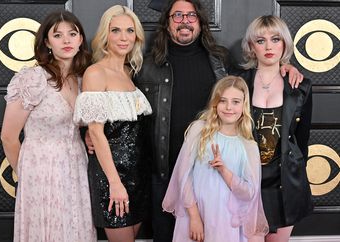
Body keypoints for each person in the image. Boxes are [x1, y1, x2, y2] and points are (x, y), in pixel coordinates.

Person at [133, 1, 304, 241]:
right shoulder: (147, 66)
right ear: (167, 22)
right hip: (166, 171)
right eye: (178, 15)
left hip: (215, 175)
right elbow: (129, 109)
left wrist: (285, 66)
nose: (185, 21)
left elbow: (248, 83)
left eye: (191, 15)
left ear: (201, 22)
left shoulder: (220, 60)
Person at [0, 11, 97, 242]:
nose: (66, 41)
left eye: (72, 34)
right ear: (47, 42)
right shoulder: (33, 78)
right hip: (40, 170)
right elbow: (8, 137)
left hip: (75, 167)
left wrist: (88, 136)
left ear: (81, 39)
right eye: (58, 35)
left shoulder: (84, 80)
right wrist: (28, 174)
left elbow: (81, 125)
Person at [73, 5, 152, 242]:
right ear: (106, 35)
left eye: (129, 30)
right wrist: (115, 183)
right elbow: (96, 133)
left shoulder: (131, 73)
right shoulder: (96, 73)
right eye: (116, 30)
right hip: (111, 176)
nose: (123, 37)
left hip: (138, 175)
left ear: (136, 36)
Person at [162, 75, 269, 242]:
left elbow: (249, 193)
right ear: (215, 103)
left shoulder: (248, 146)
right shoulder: (199, 130)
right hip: (195, 217)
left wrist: (224, 171)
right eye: (223, 101)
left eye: (235, 102)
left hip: (226, 223)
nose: (228, 107)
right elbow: (183, 176)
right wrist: (194, 217)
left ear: (244, 105)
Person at [239, 15, 313, 242]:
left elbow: (302, 139)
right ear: (252, 46)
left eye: (275, 39)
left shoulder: (301, 86)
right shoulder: (238, 81)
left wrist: (297, 173)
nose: (269, 46)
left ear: (285, 44)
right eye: (260, 41)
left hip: (284, 183)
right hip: (247, 181)